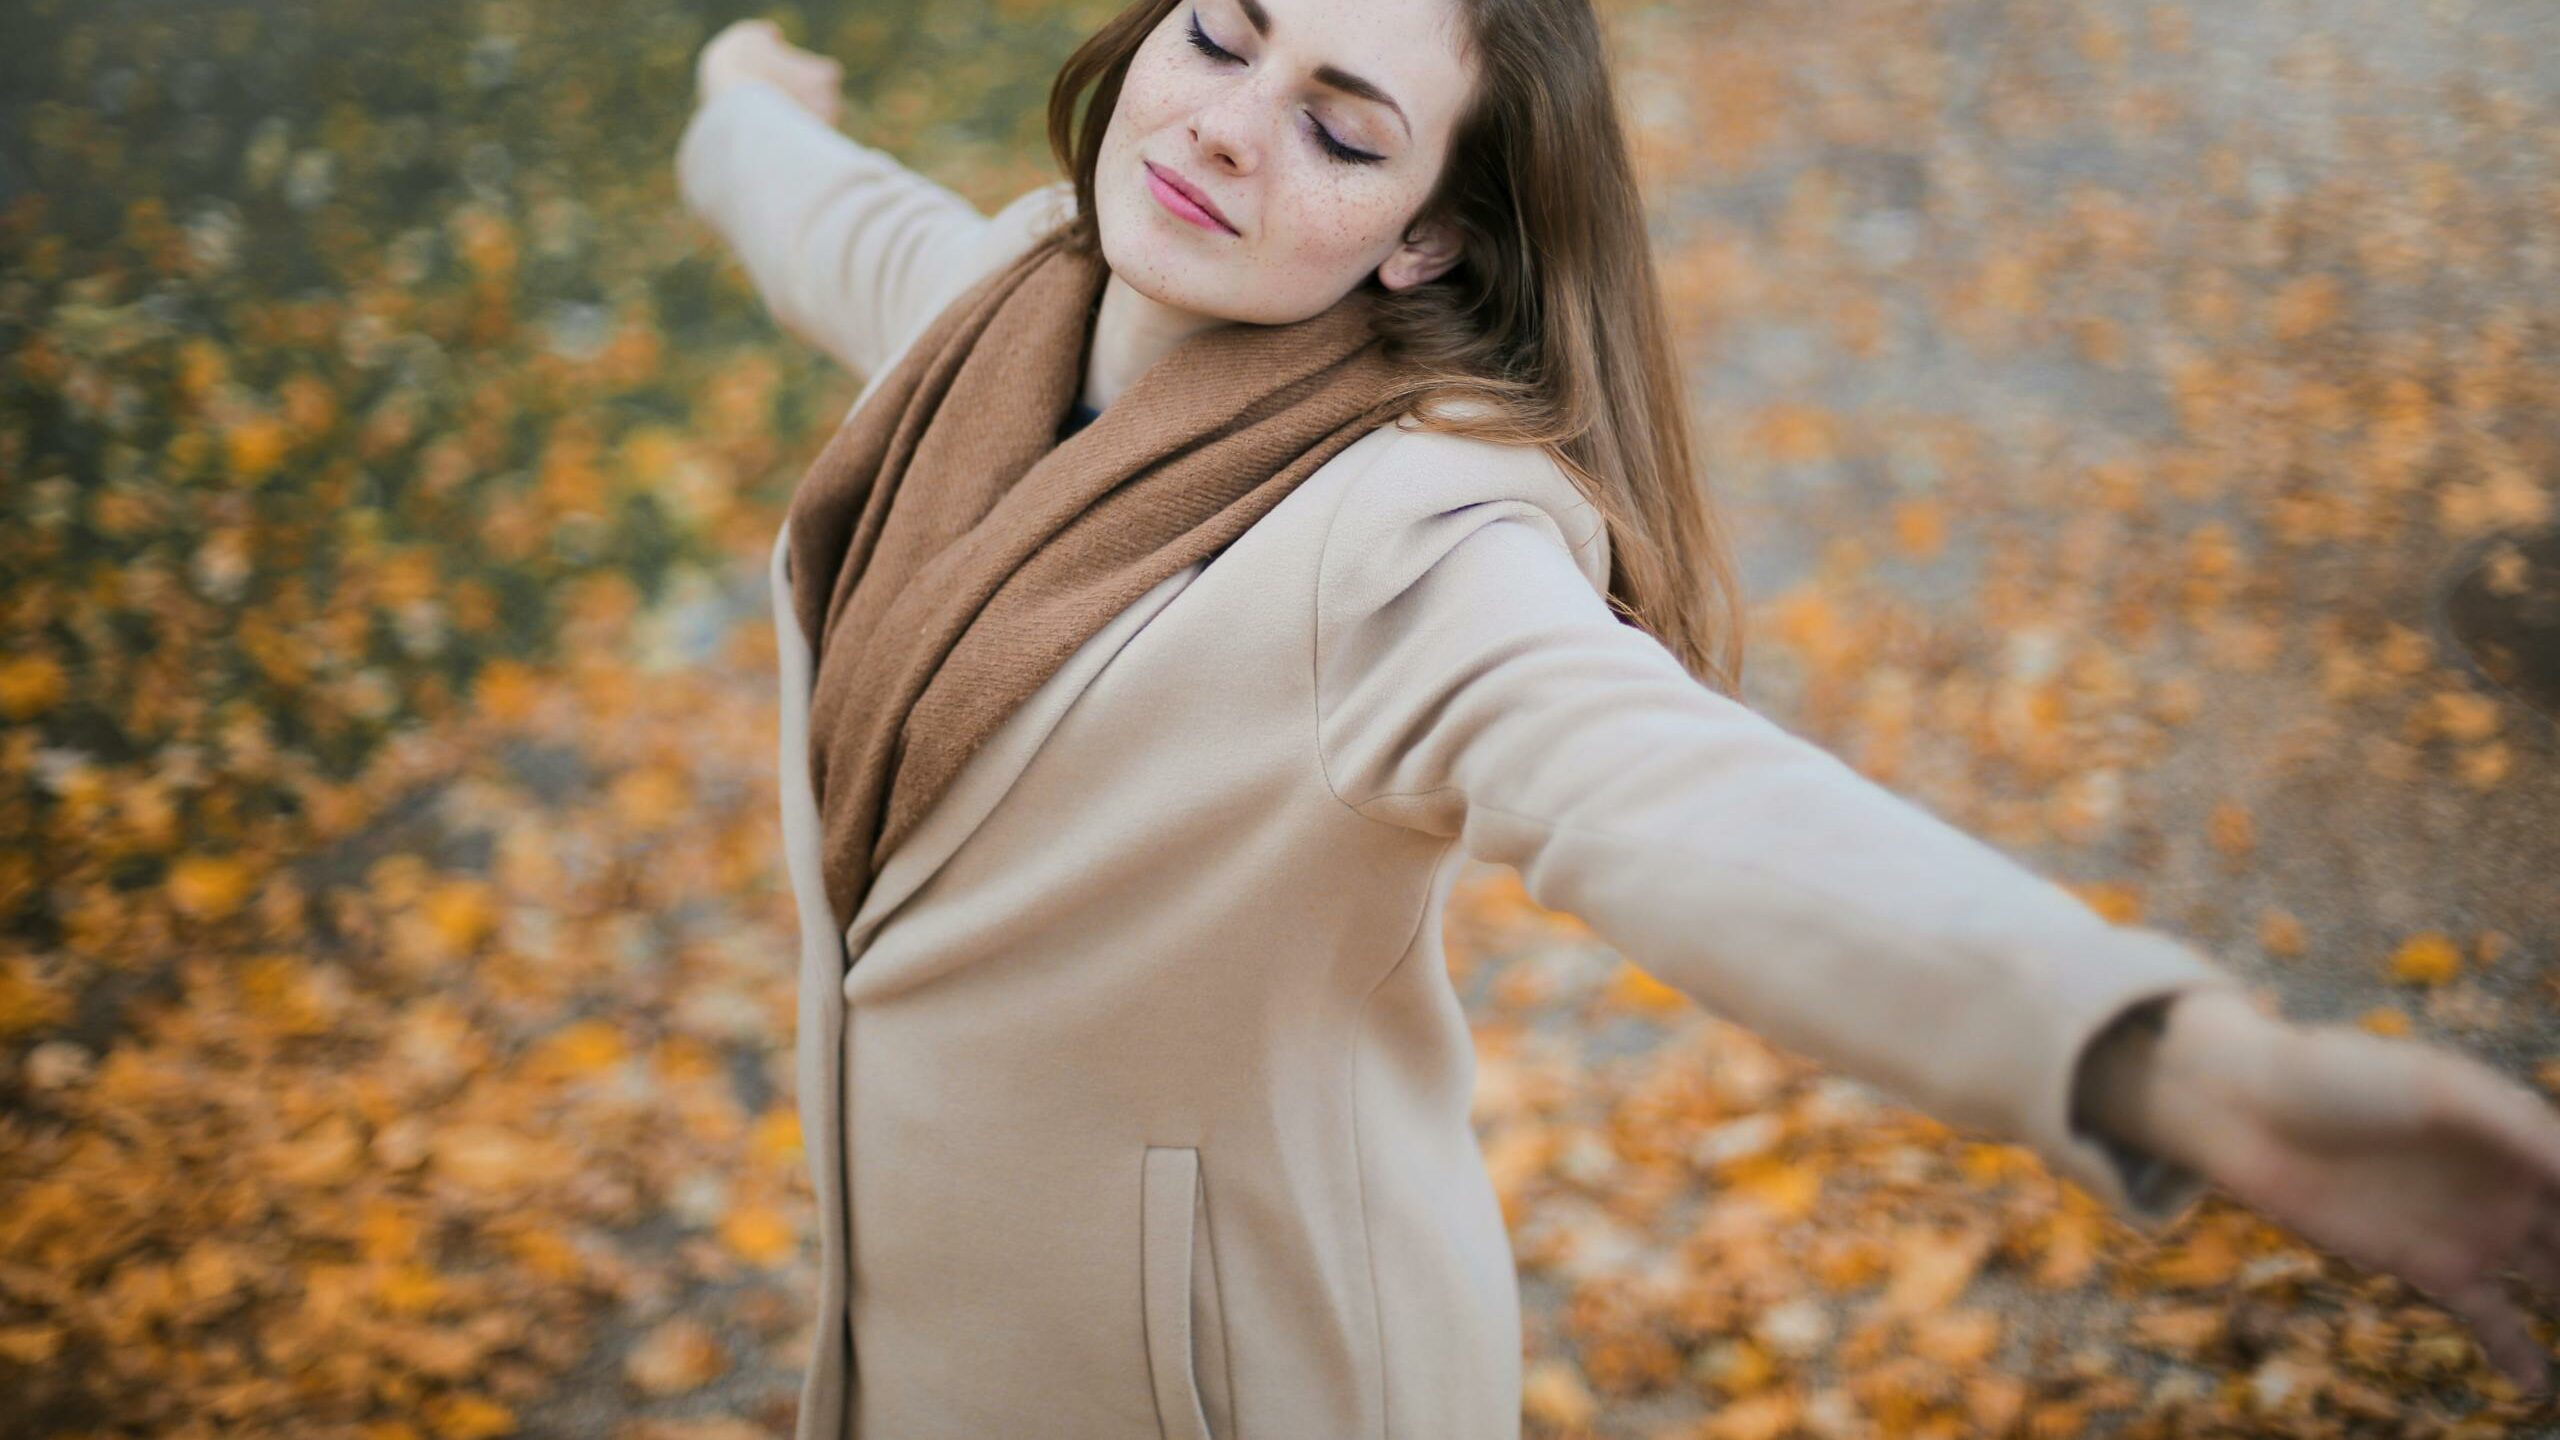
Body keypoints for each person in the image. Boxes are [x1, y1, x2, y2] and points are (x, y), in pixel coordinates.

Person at [676, 5, 2560, 1436]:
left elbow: (1687, 808)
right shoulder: (993, 308)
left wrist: (2179, 1068)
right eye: (1224, 36)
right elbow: (825, 214)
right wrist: (738, 94)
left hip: (1237, 1383)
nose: (1228, 127)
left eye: (1340, 128)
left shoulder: (1410, 538)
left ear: (1424, 238)